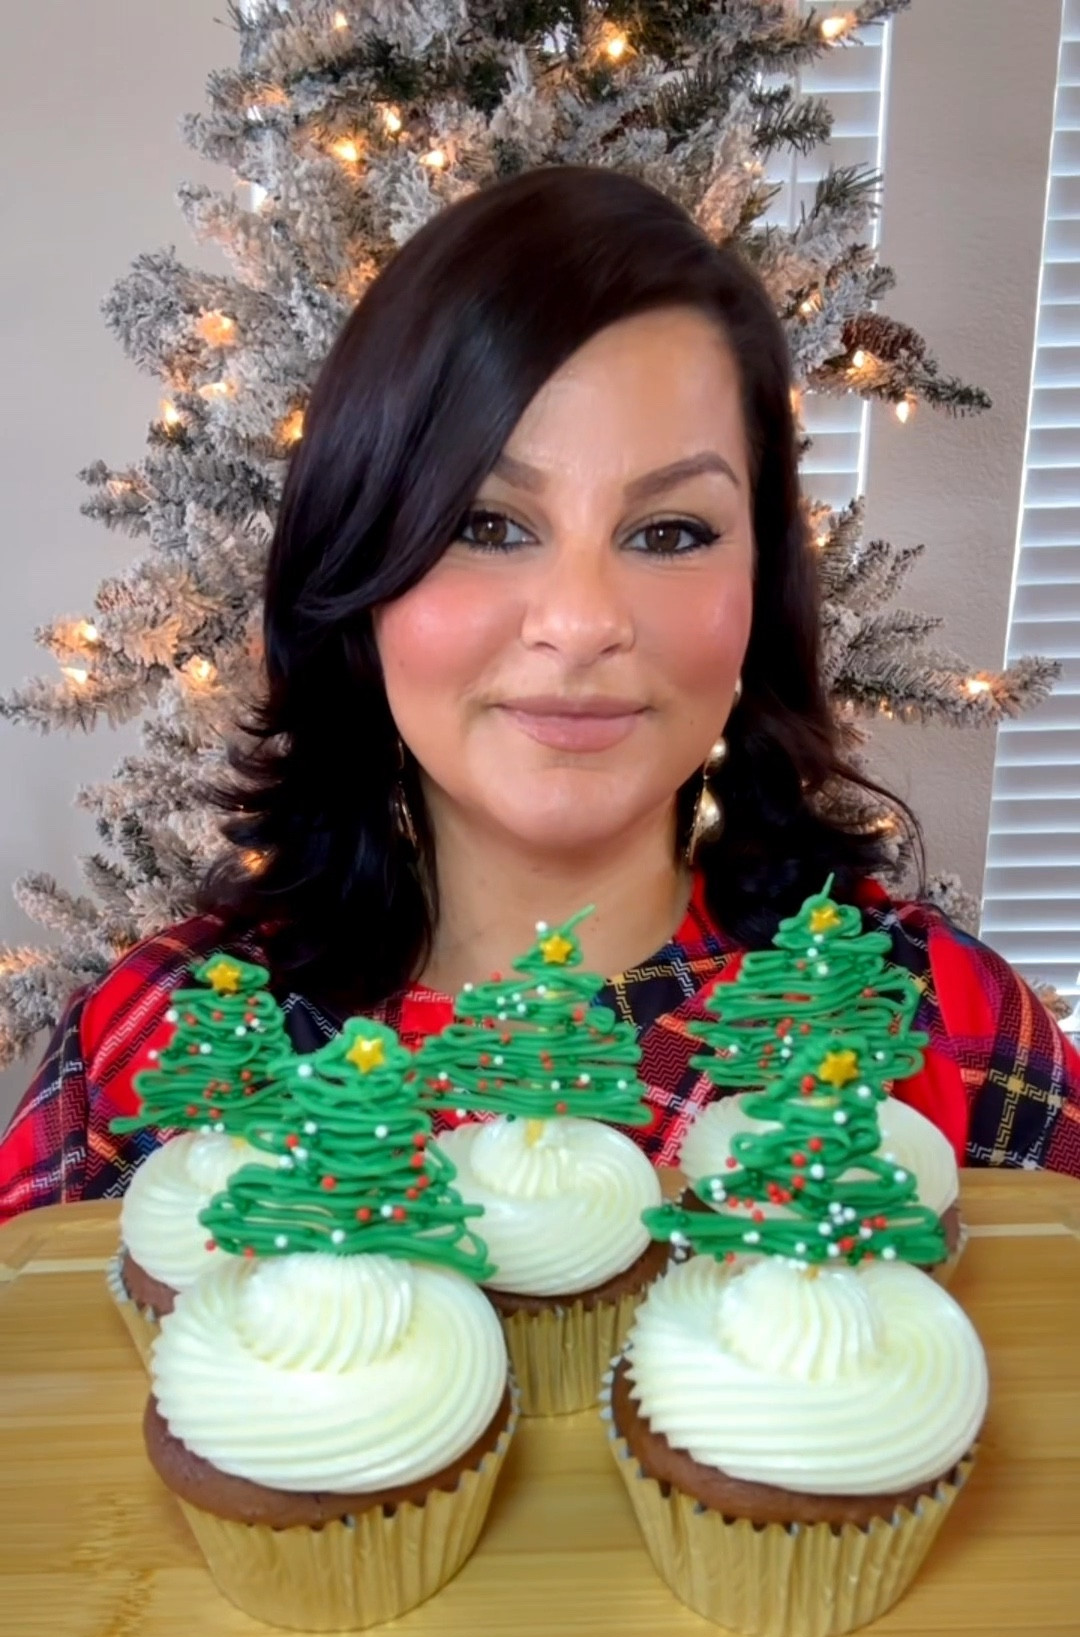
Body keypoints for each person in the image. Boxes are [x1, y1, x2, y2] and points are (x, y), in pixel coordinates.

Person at [1, 164, 1078, 1218]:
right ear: (356, 576)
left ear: (763, 592)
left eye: (669, 533)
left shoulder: (941, 1024)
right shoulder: (152, 1048)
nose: (580, 620)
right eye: (487, 525)